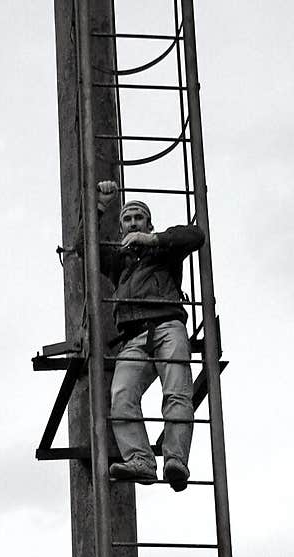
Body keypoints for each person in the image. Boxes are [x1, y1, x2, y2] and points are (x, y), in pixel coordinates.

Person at [90, 179, 205, 490]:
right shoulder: (118, 261)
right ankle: (140, 459)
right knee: (121, 395)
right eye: (127, 219)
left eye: (138, 217)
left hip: (167, 324)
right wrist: (100, 206)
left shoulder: (164, 251)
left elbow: (195, 235)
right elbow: (83, 246)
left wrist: (153, 240)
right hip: (134, 337)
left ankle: (176, 459)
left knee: (177, 391)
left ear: (148, 223)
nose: (132, 223)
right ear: (121, 228)